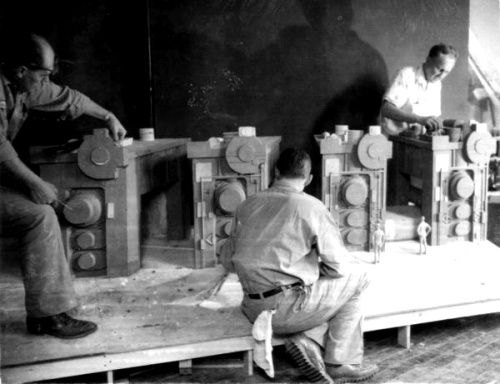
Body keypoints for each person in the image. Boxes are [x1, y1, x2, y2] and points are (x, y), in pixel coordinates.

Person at [0, 33, 127, 338]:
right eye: (42, 75)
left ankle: (46, 312)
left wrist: (108, 116)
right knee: (38, 216)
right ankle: (48, 316)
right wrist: (36, 183)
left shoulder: (23, 87)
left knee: (38, 212)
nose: (45, 82)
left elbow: (71, 98)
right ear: (21, 71)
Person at [220, 148, 378, 383]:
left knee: (312, 282)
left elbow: (228, 262)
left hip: (253, 309)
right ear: (309, 178)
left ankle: (308, 339)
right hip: (287, 309)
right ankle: (339, 362)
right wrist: (313, 271)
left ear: (275, 172)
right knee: (361, 276)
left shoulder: (247, 204)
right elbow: (340, 267)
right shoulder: (311, 207)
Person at [380, 43, 459, 137]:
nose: (441, 76)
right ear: (428, 60)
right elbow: (386, 109)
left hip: (417, 140)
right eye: (440, 69)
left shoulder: (437, 84)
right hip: (394, 140)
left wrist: (437, 125)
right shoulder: (405, 75)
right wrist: (418, 119)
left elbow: (434, 116)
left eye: (446, 72)